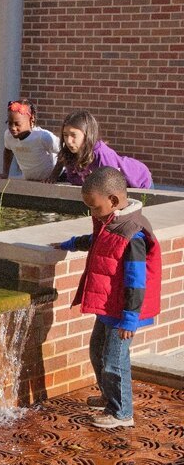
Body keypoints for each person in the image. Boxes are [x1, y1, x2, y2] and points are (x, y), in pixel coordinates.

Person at [52, 166, 161, 428]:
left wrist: (130, 318)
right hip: (109, 306)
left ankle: (122, 412)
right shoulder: (112, 221)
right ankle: (108, 397)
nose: (92, 212)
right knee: (97, 350)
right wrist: (71, 243)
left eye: (94, 207)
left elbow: (137, 280)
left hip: (124, 310)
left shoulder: (133, 232)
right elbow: (98, 241)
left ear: (112, 200)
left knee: (115, 360)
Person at [51, 110, 153, 188]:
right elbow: (75, 182)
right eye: (65, 135)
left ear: (87, 135)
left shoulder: (102, 154)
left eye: (74, 135)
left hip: (139, 181)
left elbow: (113, 185)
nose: (68, 141)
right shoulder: (70, 154)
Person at [0, 99, 60, 182]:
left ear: (31, 119)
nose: (13, 128)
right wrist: (5, 173)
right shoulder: (8, 136)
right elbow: (8, 151)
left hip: (55, 179)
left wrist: (54, 176)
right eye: (10, 123)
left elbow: (63, 152)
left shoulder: (42, 136)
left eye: (17, 124)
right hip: (32, 180)